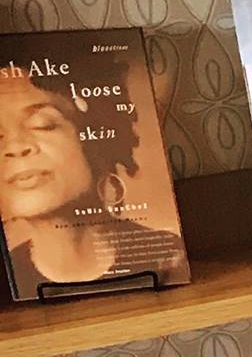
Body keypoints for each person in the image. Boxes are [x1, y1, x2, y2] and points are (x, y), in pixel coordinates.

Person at [0, 58, 187, 295]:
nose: (16, 147)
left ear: (94, 138)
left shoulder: (170, 257)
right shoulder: (9, 288)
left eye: (43, 124)